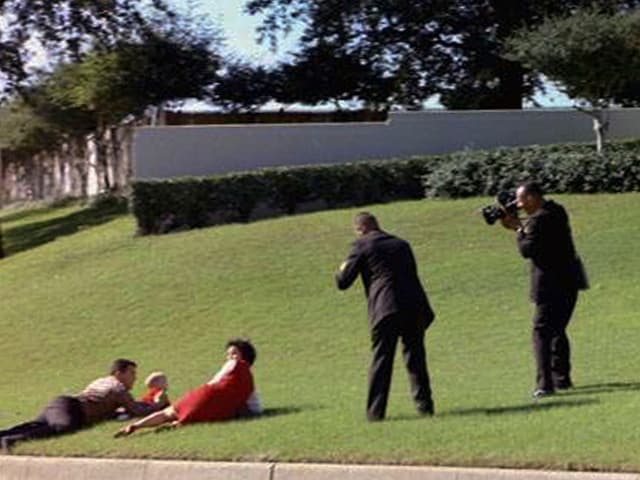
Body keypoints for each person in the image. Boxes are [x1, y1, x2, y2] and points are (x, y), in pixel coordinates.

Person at [335, 212, 435, 421]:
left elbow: (343, 281)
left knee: (381, 361)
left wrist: (342, 267)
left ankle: (375, 413)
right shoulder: (401, 244)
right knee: (416, 358)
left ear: (360, 229)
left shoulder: (362, 244)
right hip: (414, 306)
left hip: (386, 308)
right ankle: (425, 408)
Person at [500, 182, 588, 399]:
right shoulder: (557, 210)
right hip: (570, 282)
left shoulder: (540, 219)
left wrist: (516, 229)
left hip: (550, 285)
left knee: (541, 332)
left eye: (521, 200)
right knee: (557, 330)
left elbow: (527, 249)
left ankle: (544, 384)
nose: (518, 205)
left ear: (532, 198)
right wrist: (519, 223)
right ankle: (562, 379)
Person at [0, 359, 165, 453]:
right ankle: (10, 441)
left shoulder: (102, 381)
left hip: (60, 403)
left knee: (37, 425)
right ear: (118, 373)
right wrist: (159, 405)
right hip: (72, 409)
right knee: (62, 427)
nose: (134, 378)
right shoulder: (118, 388)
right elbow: (136, 411)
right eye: (132, 373)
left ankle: (3, 436)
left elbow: (107, 406)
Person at [115, 338, 261, 437]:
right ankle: (178, 424)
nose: (230, 357)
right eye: (228, 354)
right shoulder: (250, 380)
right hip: (216, 405)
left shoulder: (234, 364)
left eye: (233, 353)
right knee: (193, 416)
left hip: (203, 394)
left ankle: (136, 426)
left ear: (244, 356)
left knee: (168, 412)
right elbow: (255, 407)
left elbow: (214, 381)